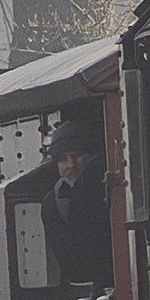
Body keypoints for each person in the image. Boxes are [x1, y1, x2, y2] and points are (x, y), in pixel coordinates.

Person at [43, 112, 112, 282]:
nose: (71, 165)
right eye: (63, 159)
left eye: (77, 156)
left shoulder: (107, 188)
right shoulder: (52, 204)